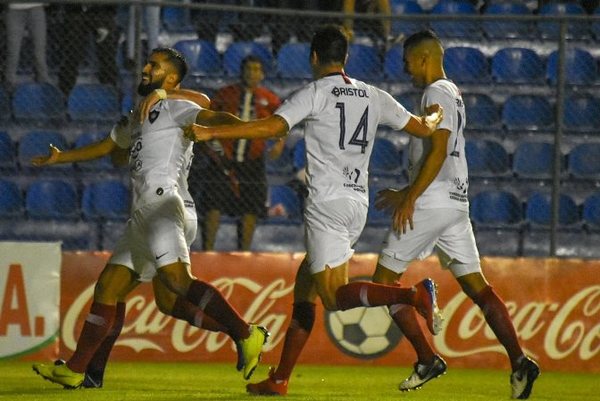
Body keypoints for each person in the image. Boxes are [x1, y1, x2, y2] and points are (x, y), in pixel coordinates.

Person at [184, 25, 445, 396]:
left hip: (326, 203)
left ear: (313, 58)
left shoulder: (315, 93)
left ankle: (413, 295)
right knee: (304, 288)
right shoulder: (374, 94)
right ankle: (279, 379)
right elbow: (422, 128)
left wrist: (211, 134)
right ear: (346, 58)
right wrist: (435, 117)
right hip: (357, 202)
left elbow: (274, 126)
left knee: (334, 298)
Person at [31, 47, 269, 389]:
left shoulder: (178, 105)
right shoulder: (139, 114)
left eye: (153, 66)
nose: (145, 68)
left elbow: (214, 114)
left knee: (176, 282)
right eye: (146, 63)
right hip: (143, 213)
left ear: (171, 78)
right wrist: (61, 158)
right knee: (113, 289)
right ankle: (82, 371)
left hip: (165, 205)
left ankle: (245, 333)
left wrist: (248, 128)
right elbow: (107, 147)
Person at [371, 29, 540, 399]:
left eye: (408, 62)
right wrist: (409, 190)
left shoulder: (435, 92)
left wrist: (412, 197)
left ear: (424, 58)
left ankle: (427, 358)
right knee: (478, 287)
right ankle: (519, 361)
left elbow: (439, 150)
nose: (406, 69)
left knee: (383, 283)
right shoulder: (453, 92)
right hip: (455, 202)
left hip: (432, 201)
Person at [196, 55, 283, 251]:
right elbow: (207, 117)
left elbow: (281, 122)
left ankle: (244, 253)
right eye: (248, 69)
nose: (251, 73)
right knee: (213, 204)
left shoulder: (269, 99)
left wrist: (279, 143)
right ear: (241, 71)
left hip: (253, 160)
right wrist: (211, 144)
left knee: (251, 207)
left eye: (256, 69)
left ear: (262, 74)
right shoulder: (226, 95)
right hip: (223, 158)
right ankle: (207, 252)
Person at [57, 4, 119, 95]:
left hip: (102, 12)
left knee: (107, 56)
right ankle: (65, 93)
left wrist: (105, 19)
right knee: (72, 55)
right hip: (75, 12)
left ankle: (110, 92)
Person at [4, 2, 50, 91]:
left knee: (39, 53)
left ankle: (44, 86)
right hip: (14, 8)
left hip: (36, 7)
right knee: (13, 52)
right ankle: (9, 87)